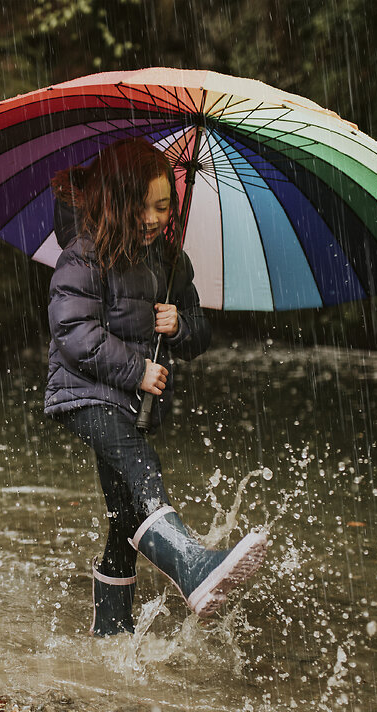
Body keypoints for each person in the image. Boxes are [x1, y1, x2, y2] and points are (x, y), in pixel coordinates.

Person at [44, 137, 267, 636]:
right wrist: (138, 370)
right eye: (141, 206)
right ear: (117, 202)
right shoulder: (84, 254)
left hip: (128, 401)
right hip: (84, 394)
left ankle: (110, 634)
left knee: (125, 515)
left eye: (163, 206)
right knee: (140, 466)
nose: (152, 217)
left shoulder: (171, 262)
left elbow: (199, 335)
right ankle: (191, 564)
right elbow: (75, 333)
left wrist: (179, 326)